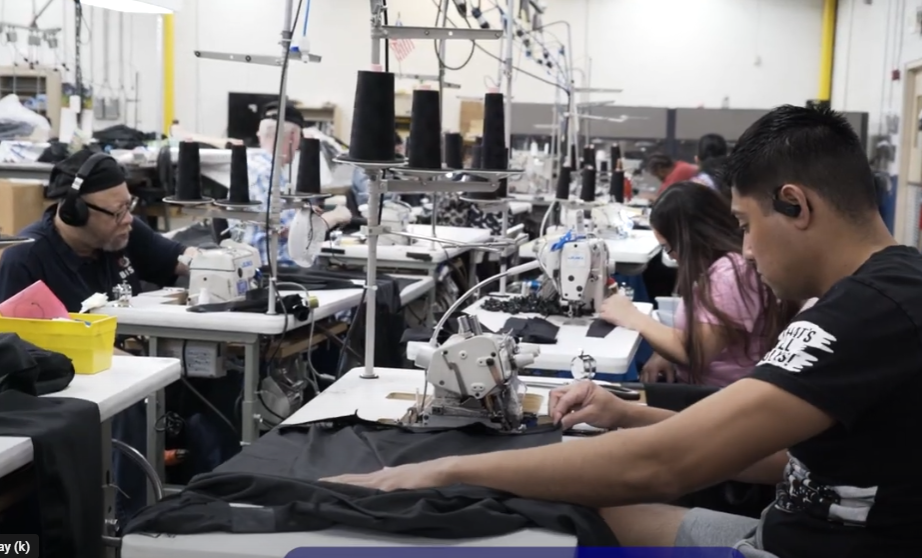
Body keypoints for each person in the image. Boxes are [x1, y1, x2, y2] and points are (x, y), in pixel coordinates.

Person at [320, 105, 920, 557]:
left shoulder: (874, 307)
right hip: (784, 528)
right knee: (565, 508)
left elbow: (663, 468)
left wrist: (447, 468)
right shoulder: (873, 296)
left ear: (796, 205)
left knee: (522, 516)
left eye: (745, 223)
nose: (744, 248)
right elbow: (780, 452)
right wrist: (630, 413)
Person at [0, 149, 196, 521]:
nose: (129, 219)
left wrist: (213, 262)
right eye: (118, 211)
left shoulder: (122, 233)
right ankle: (130, 522)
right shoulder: (26, 259)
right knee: (134, 404)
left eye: (130, 206)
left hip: (135, 366)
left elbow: (179, 257)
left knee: (218, 383)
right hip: (76, 390)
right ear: (74, 211)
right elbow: (21, 352)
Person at [628, 181, 798, 387]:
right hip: (706, 388)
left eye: (668, 248)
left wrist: (632, 317)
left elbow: (694, 354)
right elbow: (696, 333)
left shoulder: (730, 275)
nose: (672, 258)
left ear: (688, 239)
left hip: (718, 395)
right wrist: (663, 353)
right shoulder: (720, 268)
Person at [238, 101, 350, 266]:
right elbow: (295, 233)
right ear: (292, 136)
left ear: (259, 134)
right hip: (278, 270)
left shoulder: (251, 165)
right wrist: (334, 217)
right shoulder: (268, 174)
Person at [350, 132, 404, 207]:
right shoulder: (363, 169)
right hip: (369, 208)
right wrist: (400, 187)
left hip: (389, 207)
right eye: (396, 153)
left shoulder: (388, 169)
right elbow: (370, 192)